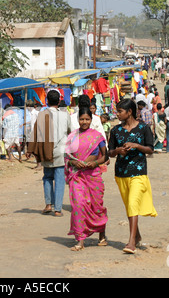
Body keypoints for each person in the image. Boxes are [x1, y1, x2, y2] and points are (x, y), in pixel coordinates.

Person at [108, 99, 157, 254]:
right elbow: (109, 152)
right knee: (130, 206)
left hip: (138, 173)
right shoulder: (115, 130)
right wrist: (118, 151)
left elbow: (150, 149)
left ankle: (131, 243)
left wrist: (136, 146)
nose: (117, 114)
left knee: (133, 204)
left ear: (129, 112)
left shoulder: (144, 128)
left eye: (120, 111)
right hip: (121, 173)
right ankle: (137, 236)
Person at [65, 107, 108, 251]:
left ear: (91, 120)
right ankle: (80, 240)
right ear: (78, 120)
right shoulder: (72, 136)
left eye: (87, 119)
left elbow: (105, 156)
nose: (84, 122)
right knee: (78, 205)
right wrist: (73, 162)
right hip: (77, 176)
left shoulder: (97, 136)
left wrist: (95, 163)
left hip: (93, 176)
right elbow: (66, 158)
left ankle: (102, 235)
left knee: (96, 206)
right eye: (81, 119)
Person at [27, 90, 71, 217]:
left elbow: (35, 133)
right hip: (61, 152)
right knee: (59, 180)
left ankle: (48, 204)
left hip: (46, 151)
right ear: (59, 101)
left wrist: (30, 149)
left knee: (47, 177)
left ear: (46, 101)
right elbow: (71, 132)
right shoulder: (65, 114)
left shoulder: (42, 115)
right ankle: (57, 209)